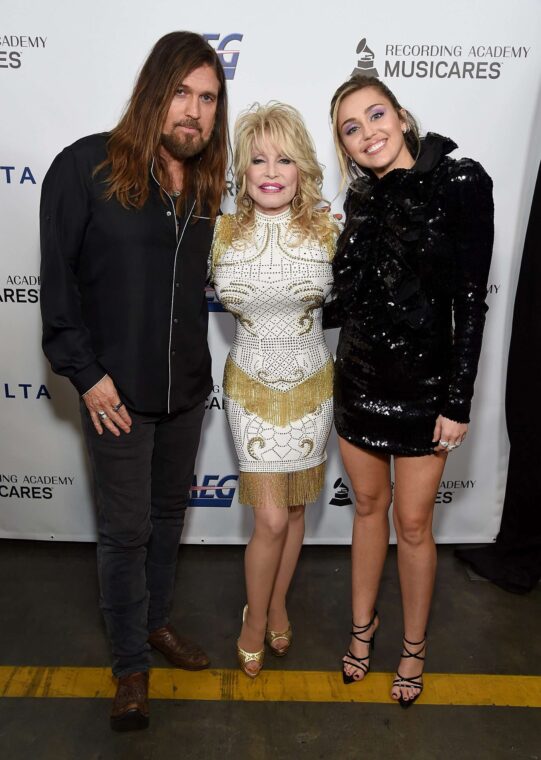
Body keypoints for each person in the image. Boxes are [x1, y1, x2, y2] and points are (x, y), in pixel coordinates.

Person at [40, 31, 228, 730]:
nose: (194, 111)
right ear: (154, 90)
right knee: (124, 533)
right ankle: (128, 668)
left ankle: (153, 623)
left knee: (165, 521)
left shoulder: (207, 184)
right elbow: (57, 293)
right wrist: (87, 377)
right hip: (113, 394)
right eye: (182, 92)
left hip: (184, 389)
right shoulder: (83, 166)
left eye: (208, 99)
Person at [326, 75, 494, 706]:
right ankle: (362, 633)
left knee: (414, 524)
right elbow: (345, 304)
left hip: (426, 393)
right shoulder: (361, 199)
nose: (368, 132)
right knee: (368, 512)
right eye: (351, 127)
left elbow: (471, 304)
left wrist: (458, 402)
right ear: (344, 145)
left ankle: (413, 649)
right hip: (359, 381)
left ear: (400, 115)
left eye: (376, 115)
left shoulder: (462, 181)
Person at [210, 103, 338, 677]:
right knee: (270, 520)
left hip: (314, 385)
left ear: (301, 167)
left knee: (293, 507)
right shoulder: (218, 230)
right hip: (250, 388)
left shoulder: (330, 230)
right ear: (242, 168)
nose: (270, 170)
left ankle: (278, 599)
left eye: (284, 158)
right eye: (258, 158)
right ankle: (253, 619)